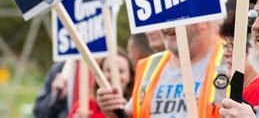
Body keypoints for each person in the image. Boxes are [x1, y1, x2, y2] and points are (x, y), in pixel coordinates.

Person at [97, 22, 227, 117]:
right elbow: (132, 112)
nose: (165, 27)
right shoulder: (149, 65)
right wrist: (114, 111)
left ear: (202, 21)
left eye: (173, 16)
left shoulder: (232, 60)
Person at [219, 10, 259, 107]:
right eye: (226, 46)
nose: (225, 53)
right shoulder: (255, 87)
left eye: (232, 46)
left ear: (253, 47)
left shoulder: (257, 89)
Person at [68, 49, 135, 118]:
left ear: (130, 77)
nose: (114, 75)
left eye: (121, 71)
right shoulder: (83, 107)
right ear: (101, 74)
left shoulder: (137, 107)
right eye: (109, 70)